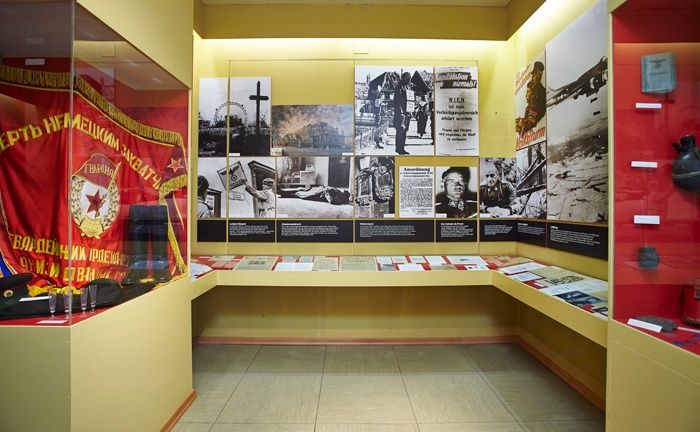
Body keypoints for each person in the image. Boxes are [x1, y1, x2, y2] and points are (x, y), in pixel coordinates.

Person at [516, 61, 546, 137]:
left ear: (539, 73)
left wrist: (522, 123)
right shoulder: (530, 105)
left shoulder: (538, 94)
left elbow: (531, 122)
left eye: (534, 74)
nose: (532, 76)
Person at [393, 72, 413, 155]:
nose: (410, 79)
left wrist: (411, 110)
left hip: (407, 113)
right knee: (400, 131)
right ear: (403, 78)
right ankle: (398, 149)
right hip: (401, 114)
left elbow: (410, 99)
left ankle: (402, 148)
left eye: (410, 77)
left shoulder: (408, 87)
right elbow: (397, 101)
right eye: (408, 77)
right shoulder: (399, 87)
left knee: (404, 131)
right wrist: (400, 112)